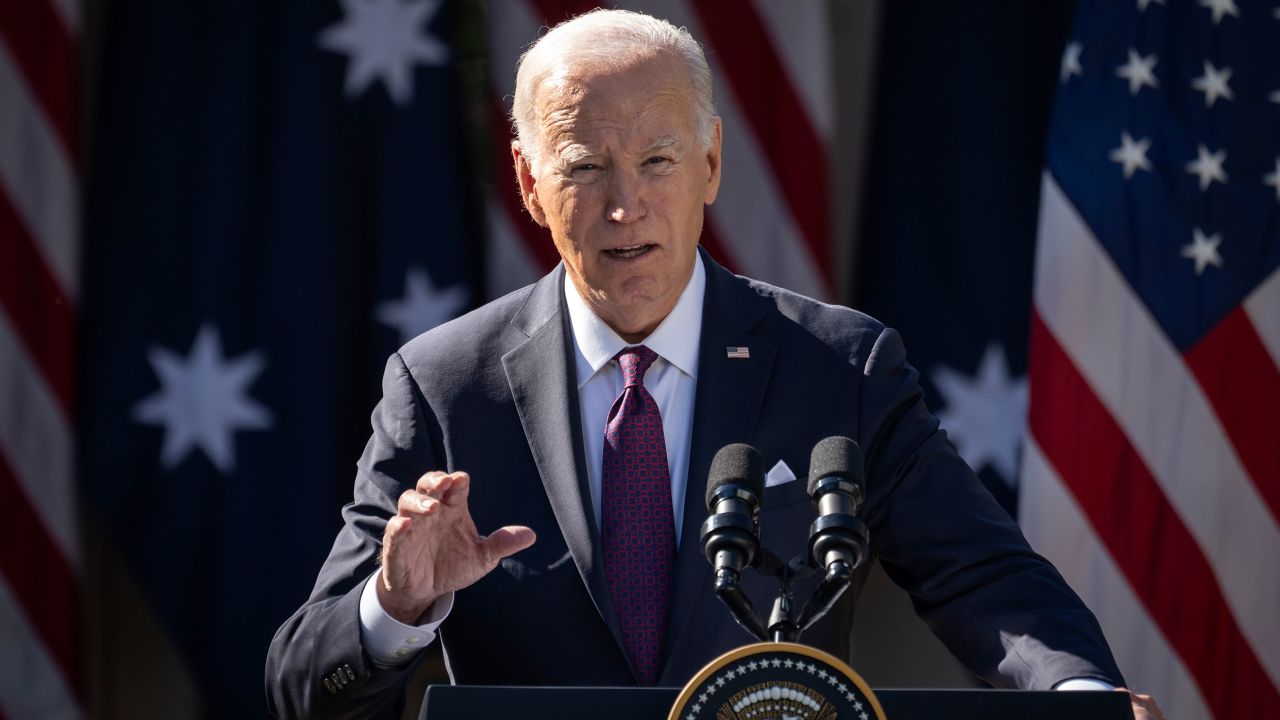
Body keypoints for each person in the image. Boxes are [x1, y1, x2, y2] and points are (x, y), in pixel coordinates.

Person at [266, 9, 1161, 720]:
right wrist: (395, 608)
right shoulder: (446, 385)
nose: (626, 207)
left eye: (657, 160)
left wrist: (1079, 703)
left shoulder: (838, 367)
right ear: (530, 184)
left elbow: (984, 576)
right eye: (585, 167)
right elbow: (302, 687)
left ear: (712, 162)